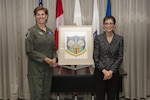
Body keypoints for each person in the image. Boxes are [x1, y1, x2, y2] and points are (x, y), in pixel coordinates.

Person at [25, 6, 57, 100]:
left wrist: (54, 58)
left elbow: (54, 49)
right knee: (37, 95)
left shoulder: (50, 32)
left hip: (48, 69)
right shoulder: (31, 31)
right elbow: (29, 51)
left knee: (46, 95)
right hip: (36, 69)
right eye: (38, 15)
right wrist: (46, 59)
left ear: (46, 16)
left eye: (42, 14)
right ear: (35, 17)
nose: (40, 17)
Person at [93, 16, 124, 100]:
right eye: (106, 23)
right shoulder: (98, 38)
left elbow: (120, 57)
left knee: (112, 97)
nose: (108, 26)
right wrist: (104, 71)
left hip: (113, 73)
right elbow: (96, 57)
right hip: (100, 72)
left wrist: (110, 72)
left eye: (111, 23)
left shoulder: (119, 39)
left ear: (114, 25)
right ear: (103, 25)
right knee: (100, 97)